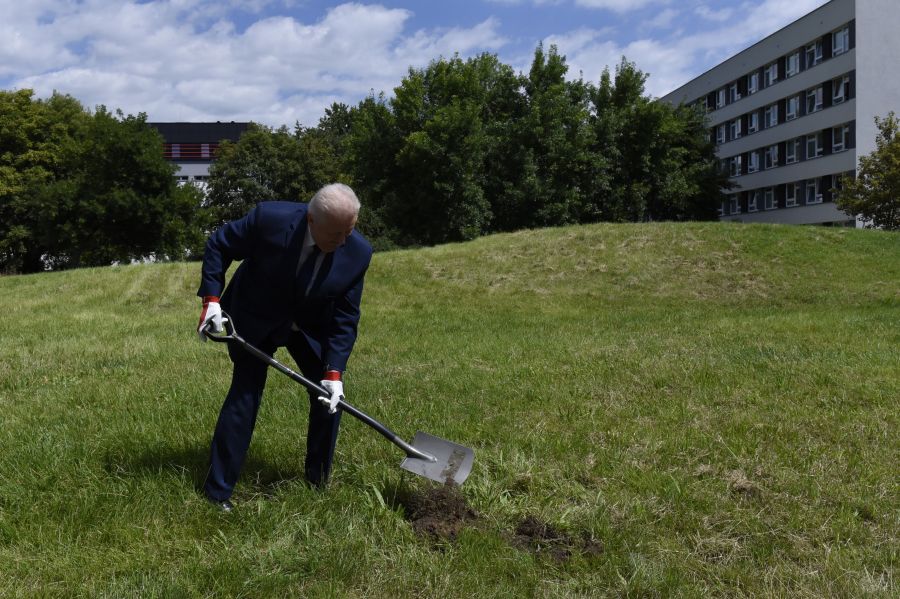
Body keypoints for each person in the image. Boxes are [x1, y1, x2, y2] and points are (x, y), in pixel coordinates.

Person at [196, 183, 372, 511]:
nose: (344, 241)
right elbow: (219, 245)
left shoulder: (358, 252)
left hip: (309, 325)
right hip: (256, 316)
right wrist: (211, 300)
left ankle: (316, 482)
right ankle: (217, 493)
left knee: (330, 401)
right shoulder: (269, 220)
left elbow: (345, 317)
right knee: (245, 396)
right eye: (336, 234)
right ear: (310, 221)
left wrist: (334, 373)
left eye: (350, 230)